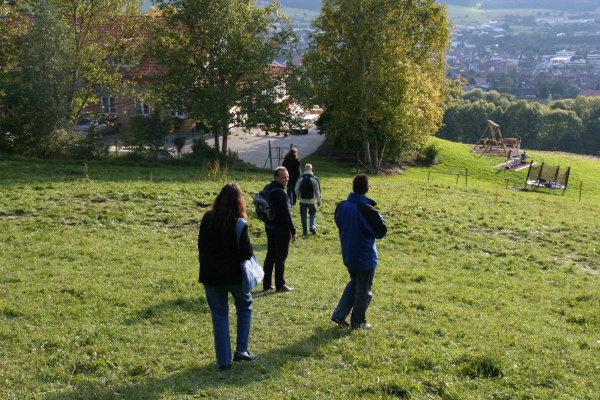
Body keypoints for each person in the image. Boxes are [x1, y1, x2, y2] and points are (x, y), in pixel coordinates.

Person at [198, 183, 257, 370]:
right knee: (244, 306)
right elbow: (246, 253)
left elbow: (201, 245)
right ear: (239, 202)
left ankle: (224, 361)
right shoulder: (239, 223)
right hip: (233, 275)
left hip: (210, 274)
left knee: (220, 317)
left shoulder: (208, 218)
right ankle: (241, 349)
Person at [331, 174, 387, 329]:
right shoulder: (366, 210)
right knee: (363, 289)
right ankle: (358, 322)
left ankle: (339, 314)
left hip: (348, 252)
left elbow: (339, 222)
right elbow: (381, 231)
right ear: (368, 190)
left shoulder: (342, 206)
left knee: (355, 283)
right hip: (364, 255)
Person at [261, 166, 298, 292]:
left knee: (270, 256)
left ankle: (267, 285)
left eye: (287, 177)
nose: (286, 180)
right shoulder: (281, 193)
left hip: (269, 226)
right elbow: (287, 214)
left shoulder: (268, 188)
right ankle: (280, 285)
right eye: (283, 178)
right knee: (280, 258)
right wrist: (293, 230)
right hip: (281, 229)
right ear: (276, 178)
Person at [295, 163, 323, 236]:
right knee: (313, 213)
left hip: (303, 200)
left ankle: (305, 231)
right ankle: (312, 226)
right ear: (311, 169)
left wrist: (299, 197)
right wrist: (319, 201)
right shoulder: (314, 179)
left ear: (305, 169)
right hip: (312, 201)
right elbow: (317, 191)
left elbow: (296, 189)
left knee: (303, 215)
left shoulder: (300, 178)